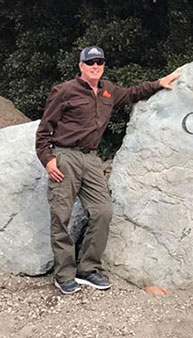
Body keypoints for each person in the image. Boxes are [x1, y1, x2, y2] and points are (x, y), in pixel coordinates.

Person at [36, 46, 180, 295]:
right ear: (80, 66)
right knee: (61, 216)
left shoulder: (108, 90)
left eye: (99, 62)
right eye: (90, 62)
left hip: (91, 160)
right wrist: (48, 159)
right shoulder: (64, 91)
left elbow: (133, 93)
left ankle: (88, 269)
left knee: (103, 212)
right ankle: (64, 275)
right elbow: (44, 129)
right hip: (65, 158)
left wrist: (159, 83)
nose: (95, 66)